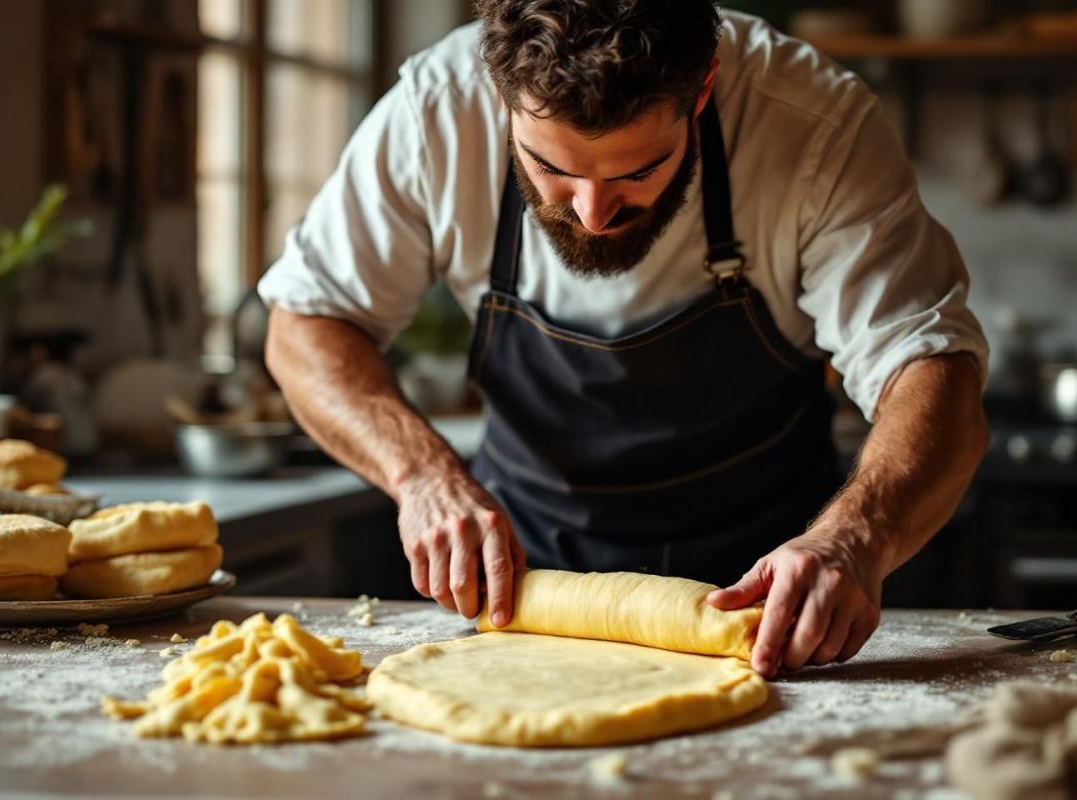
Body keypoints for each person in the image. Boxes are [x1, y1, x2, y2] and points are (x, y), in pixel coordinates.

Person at [259, 0, 990, 677]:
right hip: (524, 588)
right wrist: (422, 476)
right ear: (501, 94)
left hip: (772, 597)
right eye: (550, 167)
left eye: (639, 170)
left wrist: (853, 537)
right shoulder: (436, 110)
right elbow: (306, 323)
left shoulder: (811, 123)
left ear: (701, 92)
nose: (593, 213)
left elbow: (931, 368)